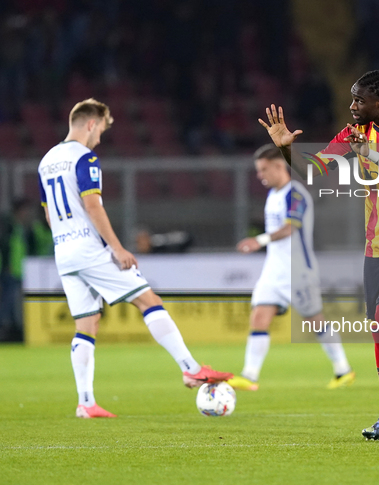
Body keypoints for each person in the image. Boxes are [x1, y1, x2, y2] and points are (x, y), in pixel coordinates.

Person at [258, 70, 379, 441]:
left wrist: (367, 153)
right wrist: (286, 148)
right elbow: (313, 170)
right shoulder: (352, 134)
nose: (352, 106)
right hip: (376, 242)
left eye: (359, 100)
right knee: (378, 326)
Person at [37, 98, 232, 418]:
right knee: (148, 300)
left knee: (86, 324)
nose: (99, 137)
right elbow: (93, 206)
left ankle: (85, 403)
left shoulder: (46, 161)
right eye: (100, 129)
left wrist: (64, 240)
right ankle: (191, 369)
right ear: (90, 123)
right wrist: (116, 247)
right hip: (89, 248)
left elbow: (48, 213)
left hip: (64, 251)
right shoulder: (84, 158)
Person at [228, 144, 355, 391]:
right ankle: (249, 376)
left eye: (264, 169)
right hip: (273, 269)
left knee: (315, 320)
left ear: (278, 166)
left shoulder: (295, 193)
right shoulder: (273, 195)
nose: (260, 175)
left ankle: (343, 370)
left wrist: (260, 240)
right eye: (258, 170)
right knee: (259, 316)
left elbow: (290, 227)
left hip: (297, 270)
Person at [0, 198, 53, 342]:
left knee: (16, 301)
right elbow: (6, 247)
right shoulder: (9, 226)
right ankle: (6, 329)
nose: (26, 213)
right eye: (24, 210)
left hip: (22, 270)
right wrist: (6, 265)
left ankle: (14, 328)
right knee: (8, 301)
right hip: (11, 270)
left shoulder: (22, 227)